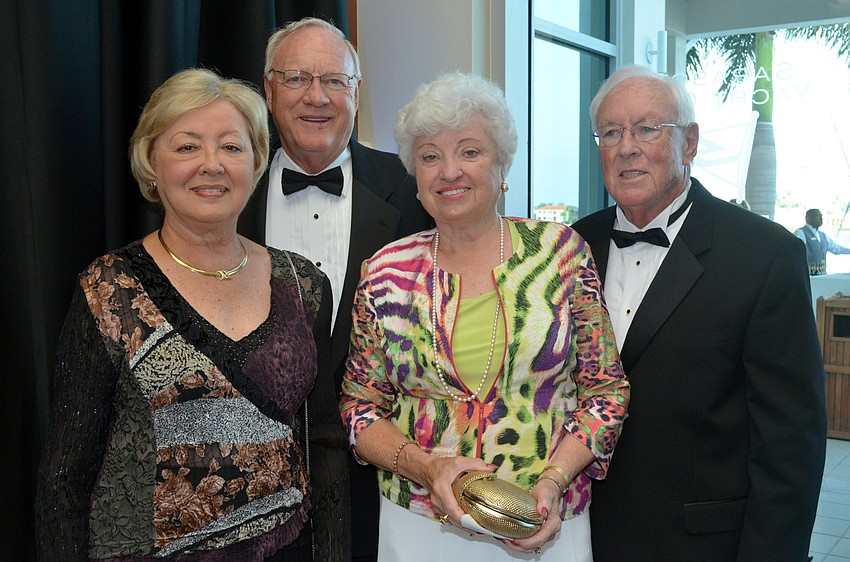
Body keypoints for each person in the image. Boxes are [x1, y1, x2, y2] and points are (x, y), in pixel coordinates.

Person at [36, 68, 332, 561]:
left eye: (232, 147)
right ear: (151, 162)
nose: (211, 165)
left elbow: (323, 447)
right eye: (187, 146)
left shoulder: (301, 284)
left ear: (257, 161)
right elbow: (64, 477)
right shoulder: (110, 288)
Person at [339, 72, 630, 562]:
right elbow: (359, 409)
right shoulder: (385, 271)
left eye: (470, 151)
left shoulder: (560, 254)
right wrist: (428, 470)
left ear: (501, 163)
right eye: (431, 156)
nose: (450, 171)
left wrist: (555, 481)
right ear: (415, 175)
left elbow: (606, 391)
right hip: (418, 526)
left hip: (545, 524)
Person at [571, 64, 827, 561]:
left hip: (702, 545)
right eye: (610, 132)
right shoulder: (570, 247)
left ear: (688, 142)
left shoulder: (764, 255)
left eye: (647, 128)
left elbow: (790, 446)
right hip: (579, 537)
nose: (626, 147)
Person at [237, 17, 432, 561]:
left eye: (334, 80)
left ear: (357, 91)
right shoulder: (227, 194)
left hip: (385, 483)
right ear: (269, 90)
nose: (316, 97)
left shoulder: (417, 191)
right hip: (250, 486)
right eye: (297, 78)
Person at [794, 208, 850, 275]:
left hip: (822, 275)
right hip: (808, 276)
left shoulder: (823, 236)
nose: (821, 218)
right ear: (808, 218)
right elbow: (794, 252)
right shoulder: (800, 233)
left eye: (821, 216)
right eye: (817, 216)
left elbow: (836, 249)